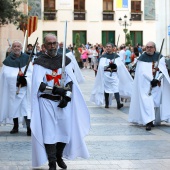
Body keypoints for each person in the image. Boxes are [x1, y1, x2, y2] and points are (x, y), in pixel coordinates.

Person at [31, 33, 90, 170]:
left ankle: (59, 156)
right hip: (46, 102)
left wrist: (67, 96)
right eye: (49, 44)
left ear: (58, 44)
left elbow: (70, 82)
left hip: (63, 103)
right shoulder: (40, 62)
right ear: (44, 46)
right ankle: (52, 161)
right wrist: (56, 90)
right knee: (49, 132)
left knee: (65, 131)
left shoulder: (65, 61)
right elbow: (38, 85)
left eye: (54, 43)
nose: (52, 46)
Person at [128, 41, 170, 131]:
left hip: (157, 84)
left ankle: (153, 119)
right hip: (145, 85)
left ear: (154, 48)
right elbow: (141, 73)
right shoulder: (141, 59)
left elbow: (163, 71)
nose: (149, 48)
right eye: (147, 47)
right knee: (146, 103)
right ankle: (148, 122)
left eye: (151, 47)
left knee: (155, 103)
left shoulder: (160, 58)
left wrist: (157, 79)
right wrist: (150, 80)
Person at [0, 41, 33, 136]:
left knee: (26, 108)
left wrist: (25, 80)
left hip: (25, 88)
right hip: (13, 88)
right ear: (12, 48)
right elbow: (5, 74)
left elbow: (31, 73)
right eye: (14, 46)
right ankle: (15, 126)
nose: (16, 48)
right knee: (14, 107)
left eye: (18, 46)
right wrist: (17, 77)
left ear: (21, 47)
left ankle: (29, 127)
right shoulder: (8, 61)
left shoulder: (27, 59)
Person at [90, 43, 133, 109]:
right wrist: (108, 66)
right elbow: (101, 66)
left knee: (116, 88)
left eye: (109, 47)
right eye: (107, 47)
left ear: (113, 48)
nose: (108, 48)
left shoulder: (116, 56)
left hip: (114, 75)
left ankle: (118, 103)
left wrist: (115, 66)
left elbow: (120, 66)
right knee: (106, 89)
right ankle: (107, 104)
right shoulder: (103, 56)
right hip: (106, 75)